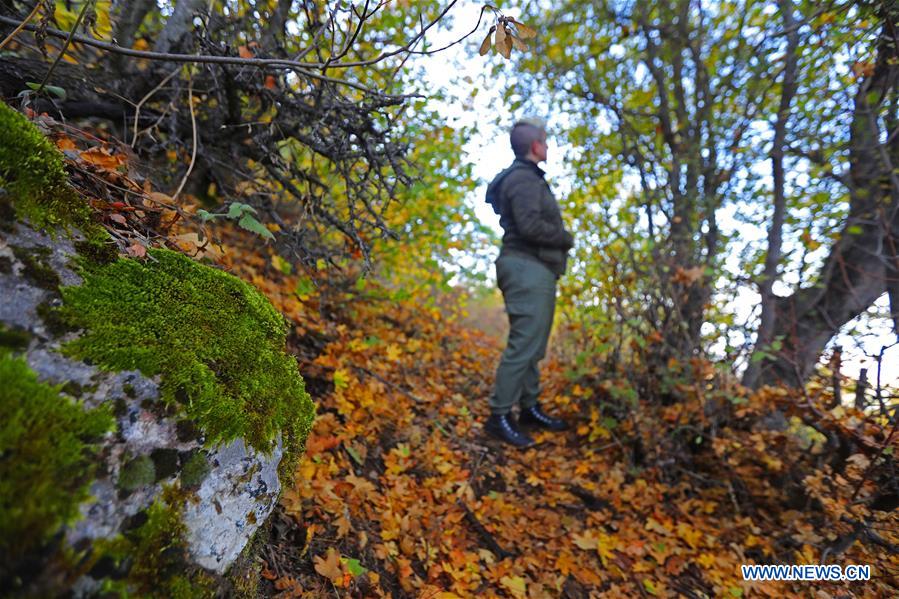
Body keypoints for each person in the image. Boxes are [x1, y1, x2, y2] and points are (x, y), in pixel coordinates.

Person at [483, 118, 574, 448]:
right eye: (545, 143)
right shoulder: (523, 179)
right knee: (524, 345)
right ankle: (499, 415)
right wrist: (566, 238)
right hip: (526, 267)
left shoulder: (527, 178)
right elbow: (530, 226)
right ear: (536, 146)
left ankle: (529, 407)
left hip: (533, 268)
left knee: (533, 344)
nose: (548, 148)